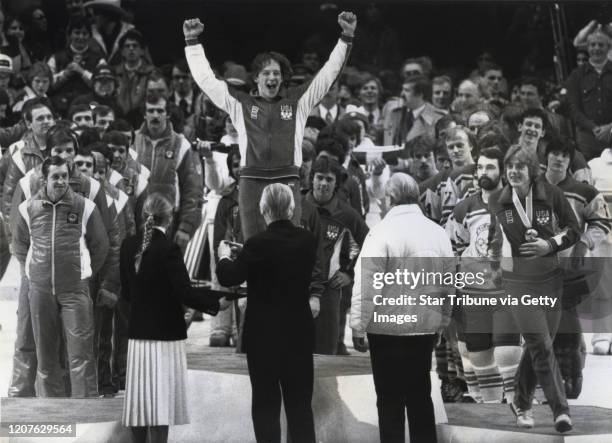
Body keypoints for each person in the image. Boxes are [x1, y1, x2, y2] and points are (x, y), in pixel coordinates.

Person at [184, 12, 356, 240]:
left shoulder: (298, 101)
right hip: (251, 183)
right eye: (266, 73)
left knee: (287, 247)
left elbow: (328, 74)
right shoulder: (240, 104)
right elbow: (206, 80)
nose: (272, 77)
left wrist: (346, 37)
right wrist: (192, 43)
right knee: (255, 247)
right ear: (256, 78)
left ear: (282, 78)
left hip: (287, 181)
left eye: (276, 73)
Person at [351, 173, 454, 443]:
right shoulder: (438, 233)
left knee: (389, 400)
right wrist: (442, 322)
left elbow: (367, 281)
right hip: (424, 328)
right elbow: (448, 284)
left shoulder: (382, 231)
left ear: (390, 198)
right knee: (420, 396)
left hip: (386, 331)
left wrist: (358, 325)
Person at [120, 193, 229, 443]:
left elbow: (126, 293)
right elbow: (185, 292)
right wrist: (215, 303)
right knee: (161, 406)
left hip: (138, 337)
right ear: (169, 219)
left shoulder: (128, 246)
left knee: (139, 405)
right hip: (166, 338)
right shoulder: (169, 250)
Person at [216, 183, 320, 443]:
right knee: (300, 406)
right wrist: (247, 253)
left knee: (265, 406)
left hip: (263, 337)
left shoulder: (256, 245)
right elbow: (280, 257)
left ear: (263, 209)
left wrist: (224, 257)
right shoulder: (307, 241)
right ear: (291, 208)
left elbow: (230, 275)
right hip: (298, 333)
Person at [488, 145, 580, 432]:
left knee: (541, 345)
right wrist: (494, 269)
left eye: (520, 166)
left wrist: (549, 244)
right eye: (510, 166)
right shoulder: (498, 200)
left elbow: (573, 229)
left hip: (550, 279)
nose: (513, 171)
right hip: (517, 282)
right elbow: (494, 239)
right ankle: (560, 411)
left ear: (532, 170)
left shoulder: (552, 194)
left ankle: (522, 402)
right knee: (540, 344)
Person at [13, 155, 110, 397]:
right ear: (44, 179)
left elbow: (101, 247)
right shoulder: (27, 209)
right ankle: (52, 415)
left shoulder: (85, 207)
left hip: (74, 290)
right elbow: (20, 245)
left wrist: (82, 272)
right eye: (55, 176)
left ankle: (85, 416)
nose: (60, 181)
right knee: (45, 357)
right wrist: (35, 272)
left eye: (64, 176)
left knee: (81, 355)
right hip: (40, 290)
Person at [133, 94, 203, 251]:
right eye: (151, 111)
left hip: (168, 223)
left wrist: (185, 227)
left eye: (160, 110)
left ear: (168, 114)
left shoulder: (181, 144)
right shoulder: (133, 141)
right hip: (137, 220)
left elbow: (193, 190)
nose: (155, 115)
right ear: (144, 114)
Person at [566, 27, 612, 161]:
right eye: (593, 45)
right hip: (588, 140)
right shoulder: (576, 75)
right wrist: (593, 128)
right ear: (587, 48)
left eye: (601, 45)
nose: (596, 48)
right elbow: (572, 107)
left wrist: (609, 128)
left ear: (608, 47)